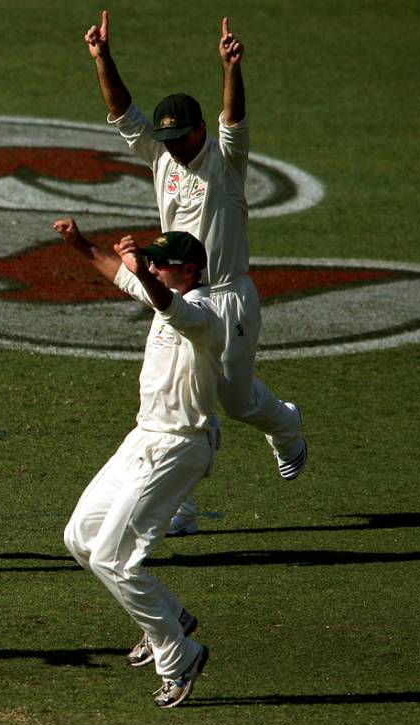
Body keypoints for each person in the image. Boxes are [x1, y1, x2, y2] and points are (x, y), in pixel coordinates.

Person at [85, 12, 307, 536]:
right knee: (184, 399)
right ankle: (179, 507)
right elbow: (123, 113)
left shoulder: (224, 160)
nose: (176, 147)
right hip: (179, 294)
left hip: (228, 298)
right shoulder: (160, 155)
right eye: (170, 140)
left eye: (184, 138)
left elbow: (235, 118)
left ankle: (286, 424)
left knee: (234, 399)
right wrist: (103, 58)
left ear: (200, 129)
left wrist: (231, 67)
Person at [55, 218, 216, 708]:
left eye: (160, 264)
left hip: (179, 446)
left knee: (115, 559)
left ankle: (179, 655)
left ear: (188, 270)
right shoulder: (164, 294)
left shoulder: (204, 312)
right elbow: (122, 275)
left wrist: (143, 274)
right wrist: (82, 245)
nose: (150, 268)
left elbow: (162, 299)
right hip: (143, 436)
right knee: (80, 537)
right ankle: (170, 617)